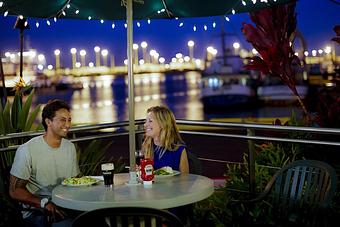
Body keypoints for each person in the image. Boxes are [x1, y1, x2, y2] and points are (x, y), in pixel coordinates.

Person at [9, 99, 80, 227]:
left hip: (66, 205)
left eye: (69, 119)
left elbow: (73, 181)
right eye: (62, 120)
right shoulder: (27, 150)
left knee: (98, 220)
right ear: (48, 122)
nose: (68, 125)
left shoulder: (69, 147)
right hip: (38, 212)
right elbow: (14, 191)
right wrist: (44, 203)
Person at [142, 105, 189, 174]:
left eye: (150, 121)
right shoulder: (147, 146)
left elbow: (185, 179)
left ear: (162, 124)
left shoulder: (179, 150)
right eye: (146, 121)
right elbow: (147, 175)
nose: (145, 125)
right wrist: (140, 170)